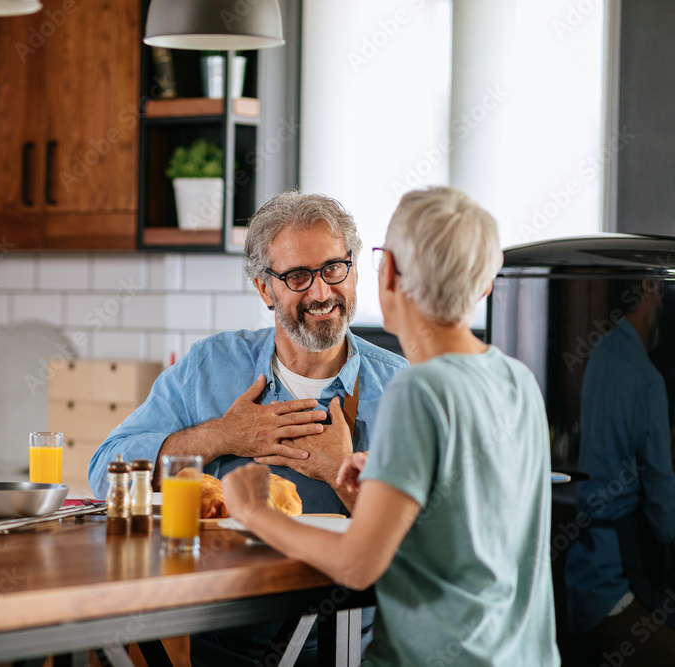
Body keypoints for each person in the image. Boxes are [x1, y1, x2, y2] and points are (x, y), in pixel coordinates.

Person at [222, 186, 560, 666]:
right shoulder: (517, 378)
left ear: (389, 274)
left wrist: (254, 512)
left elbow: (357, 564)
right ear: (485, 284)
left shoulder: (416, 391)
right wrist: (391, 479)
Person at [88, 190, 408, 664]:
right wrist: (221, 436)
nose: (320, 292)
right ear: (265, 289)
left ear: (355, 269)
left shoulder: (404, 388)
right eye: (297, 276)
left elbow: (425, 559)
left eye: (333, 269)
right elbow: (104, 470)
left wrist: (341, 470)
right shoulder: (210, 366)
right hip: (225, 646)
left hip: (351, 649)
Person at [565, 275, 675, 665]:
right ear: (648, 288)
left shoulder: (600, 353)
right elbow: (661, 489)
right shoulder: (646, 378)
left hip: (582, 575)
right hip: (615, 583)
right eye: (659, 288)